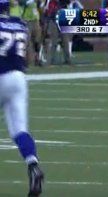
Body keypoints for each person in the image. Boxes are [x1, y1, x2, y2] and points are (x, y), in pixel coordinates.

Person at [0, 0, 44, 196]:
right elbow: (25, 54)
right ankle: (33, 165)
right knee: (19, 130)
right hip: (19, 78)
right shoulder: (20, 24)